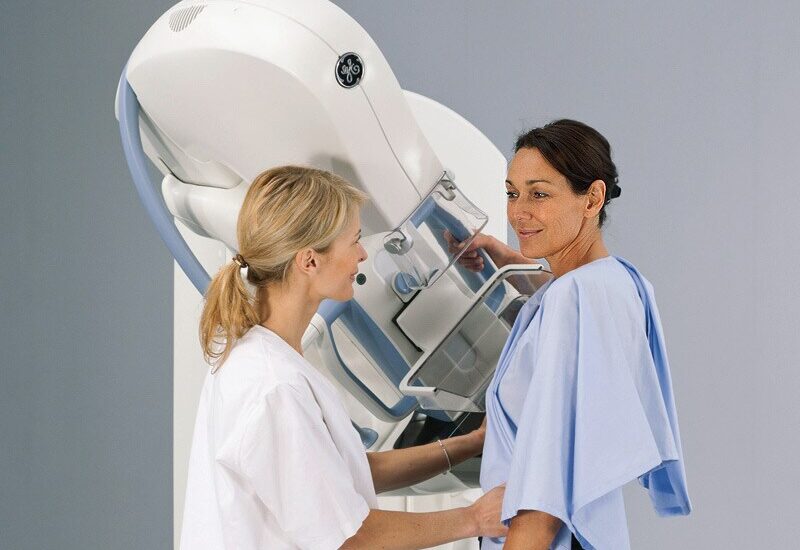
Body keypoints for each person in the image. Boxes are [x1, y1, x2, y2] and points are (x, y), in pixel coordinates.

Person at [180, 165, 507, 550]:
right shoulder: (274, 385)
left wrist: (472, 442)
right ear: (309, 261)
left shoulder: (263, 356)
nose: (363, 254)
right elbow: (350, 539)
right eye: (354, 241)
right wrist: (475, 518)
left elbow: (351, 470)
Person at [447, 119, 691, 549]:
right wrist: (507, 259)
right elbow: (566, 295)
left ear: (592, 198)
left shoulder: (571, 300)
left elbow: (543, 499)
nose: (518, 212)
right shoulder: (619, 282)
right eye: (512, 193)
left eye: (539, 194)